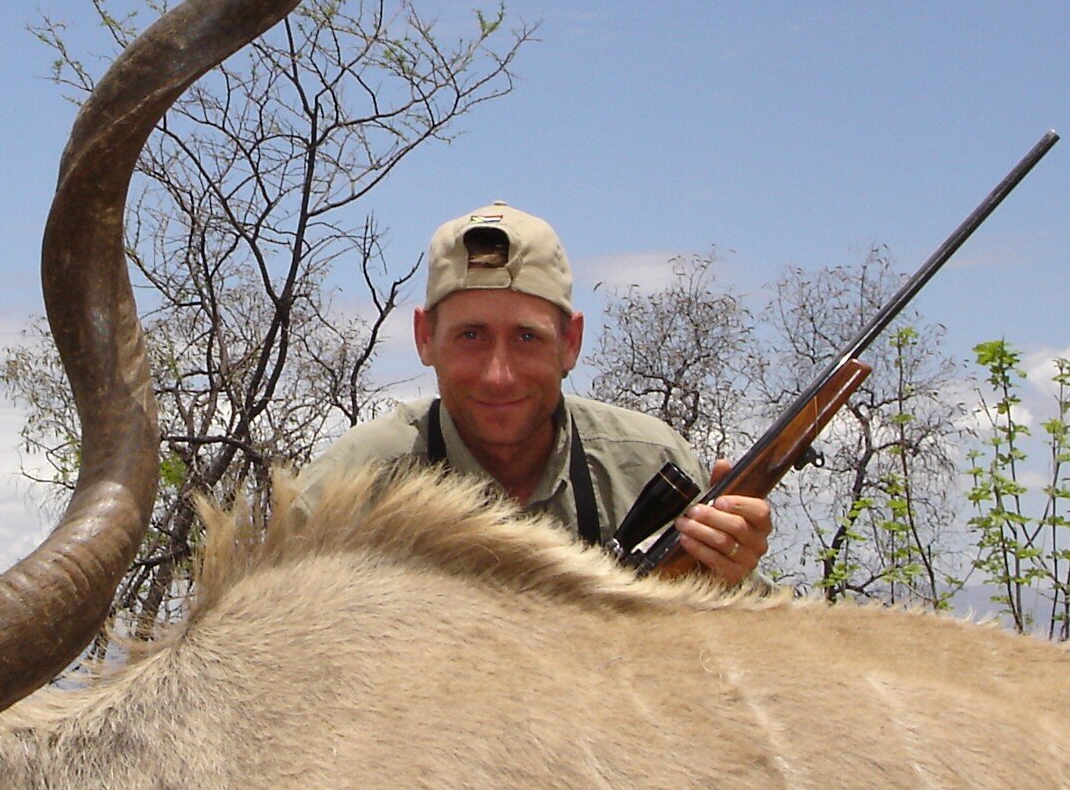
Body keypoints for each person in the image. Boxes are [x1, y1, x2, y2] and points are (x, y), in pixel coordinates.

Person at [299, 203, 773, 584]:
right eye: (471, 336)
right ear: (425, 337)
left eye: (527, 337)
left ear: (571, 343)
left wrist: (730, 572)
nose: (498, 376)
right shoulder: (351, 487)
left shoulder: (652, 466)